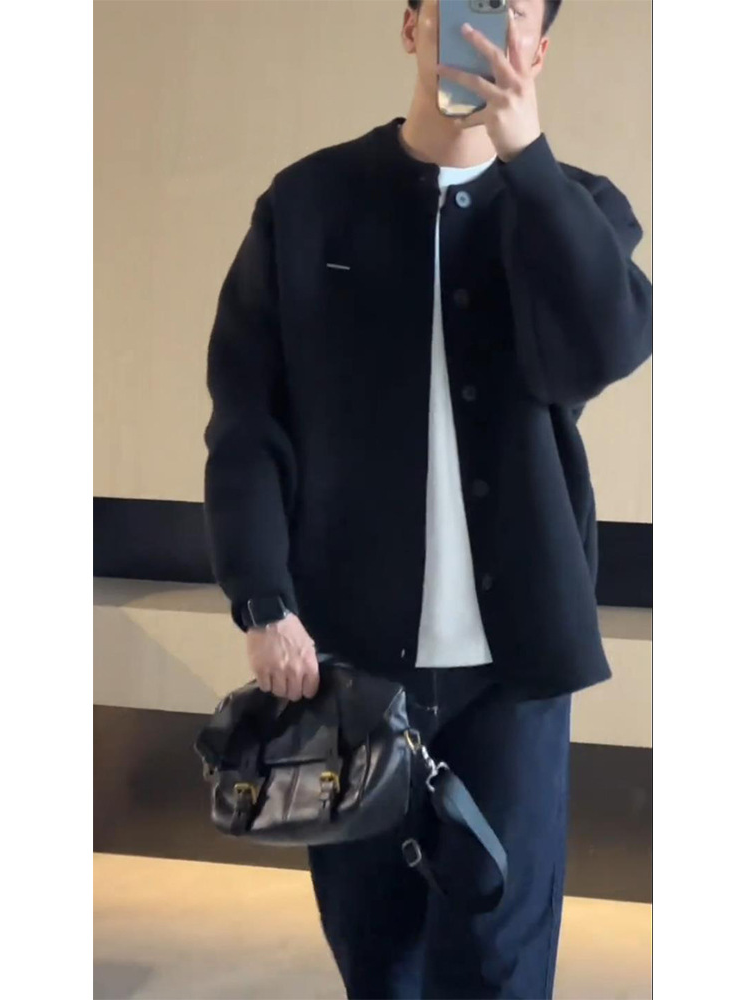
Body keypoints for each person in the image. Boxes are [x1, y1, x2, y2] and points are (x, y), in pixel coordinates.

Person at [202, 0, 652, 996]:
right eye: (456, 7)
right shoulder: (308, 204)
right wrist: (261, 597)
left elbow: (604, 348)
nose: (480, 30)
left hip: (515, 669)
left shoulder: (577, 206)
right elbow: (247, 421)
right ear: (411, 28)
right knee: (378, 956)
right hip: (348, 663)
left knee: (503, 960)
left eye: (509, 12)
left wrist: (526, 160)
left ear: (538, 47)